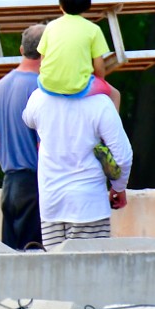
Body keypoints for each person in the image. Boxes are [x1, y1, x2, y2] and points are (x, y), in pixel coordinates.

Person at [22, 78, 133, 249]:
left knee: (57, 272)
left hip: (51, 205)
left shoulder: (38, 98)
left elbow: (27, 118)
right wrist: (118, 186)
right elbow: (123, 157)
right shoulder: (100, 103)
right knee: (92, 273)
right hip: (89, 207)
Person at [0, 24, 45, 250]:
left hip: (9, 187)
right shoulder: (41, 88)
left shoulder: (1, 85)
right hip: (34, 184)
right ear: (46, 51)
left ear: (21, 49)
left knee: (11, 259)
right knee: (34, 260)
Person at [37, 0, 121, 109]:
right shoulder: (93, 30)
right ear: (88, 4)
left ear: (60, 4)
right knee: (115, 94)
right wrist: (100, 82)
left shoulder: (50, 27)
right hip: (79, 88)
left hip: (47, 86)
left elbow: (42, 60)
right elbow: (99, 67)